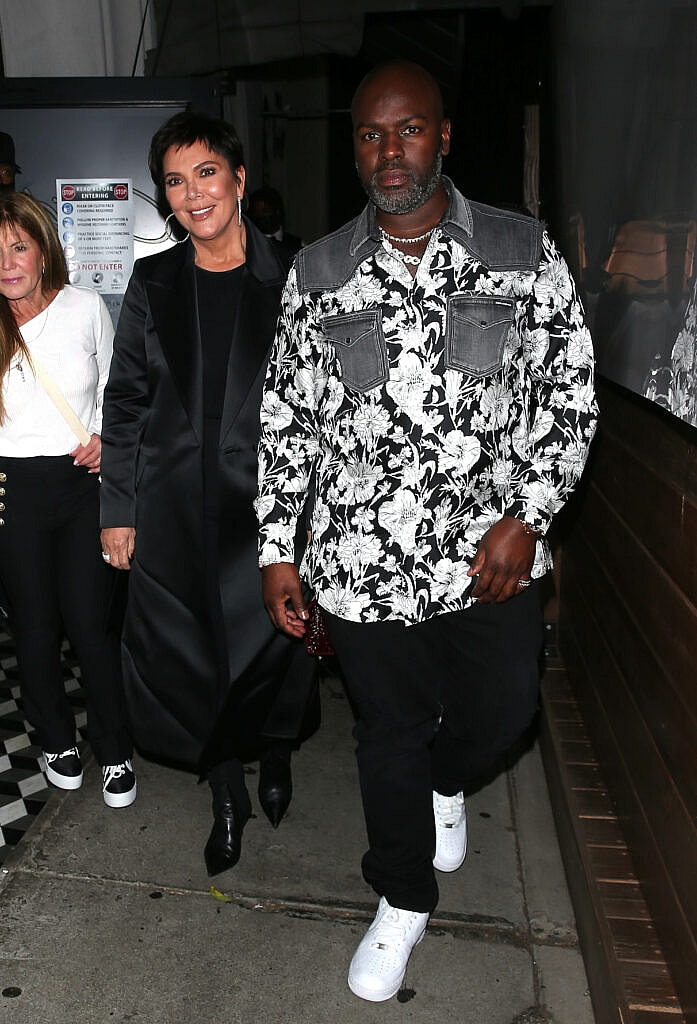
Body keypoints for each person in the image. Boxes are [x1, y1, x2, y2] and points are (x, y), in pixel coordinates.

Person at [257, 60, 598, 1002]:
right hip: (362, 565)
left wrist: (528, 514)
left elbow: (568, 394)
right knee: (386, 735)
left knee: (502, 715)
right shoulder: (319, 271)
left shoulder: (520, 252)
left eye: (407, 130)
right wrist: (278, 547)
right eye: (369, 134)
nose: (387, 150)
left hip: (488, 558)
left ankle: (451, 780)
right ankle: (401, 899)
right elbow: (288, 418)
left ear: (443, 136)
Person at [99, 111, 318, 877]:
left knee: (282, 650)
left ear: (238, 180)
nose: (193, 193)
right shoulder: (154, 280)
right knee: (195, 658)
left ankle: (277, 751)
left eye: (206, 173)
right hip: (175, 509)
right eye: (175, 179)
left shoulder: (296, 274)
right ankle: (225, 791)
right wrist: (118, 510)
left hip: (274, 510)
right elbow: (125, 400)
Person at [0, 192, 136, 808]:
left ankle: (114, 748)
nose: (7, 262)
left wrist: (109, 442)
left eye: (19, 246)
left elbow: (119, 393)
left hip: (82, 489)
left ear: (42, 248)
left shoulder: (84, 309)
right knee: (34, 628)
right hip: (12, 493)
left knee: (90, 625)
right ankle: (57, 739)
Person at [247, 186, 303, 261]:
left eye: (264, 211)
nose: (260, 216)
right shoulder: (249, 244)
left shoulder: (298, 244)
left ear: (277, 211)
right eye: (256, 212)